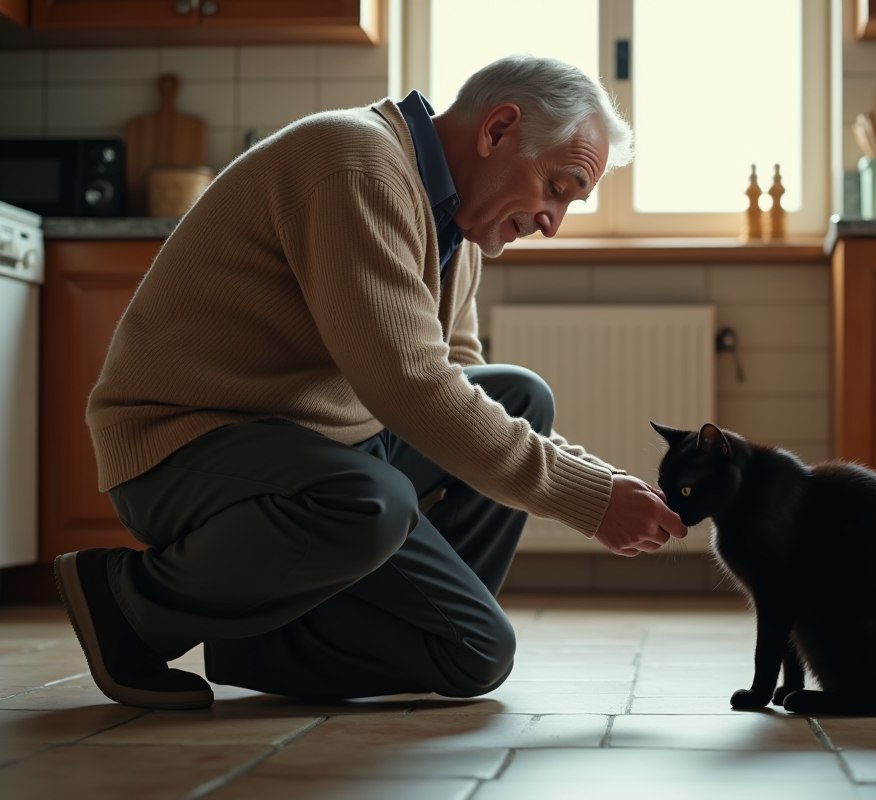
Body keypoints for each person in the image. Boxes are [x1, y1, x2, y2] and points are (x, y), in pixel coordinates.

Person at [54, 55, 687, 711]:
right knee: (377, 510)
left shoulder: (456, 227)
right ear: (498, 130)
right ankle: (127, 601)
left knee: (516, 404)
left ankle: (267, 635)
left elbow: (459, 384)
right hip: (187, 446)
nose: (553, 223)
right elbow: (412, 389)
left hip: (318, 452)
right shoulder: (355, 165)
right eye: (557, 188)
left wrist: (602, 483)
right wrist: (589, 499)